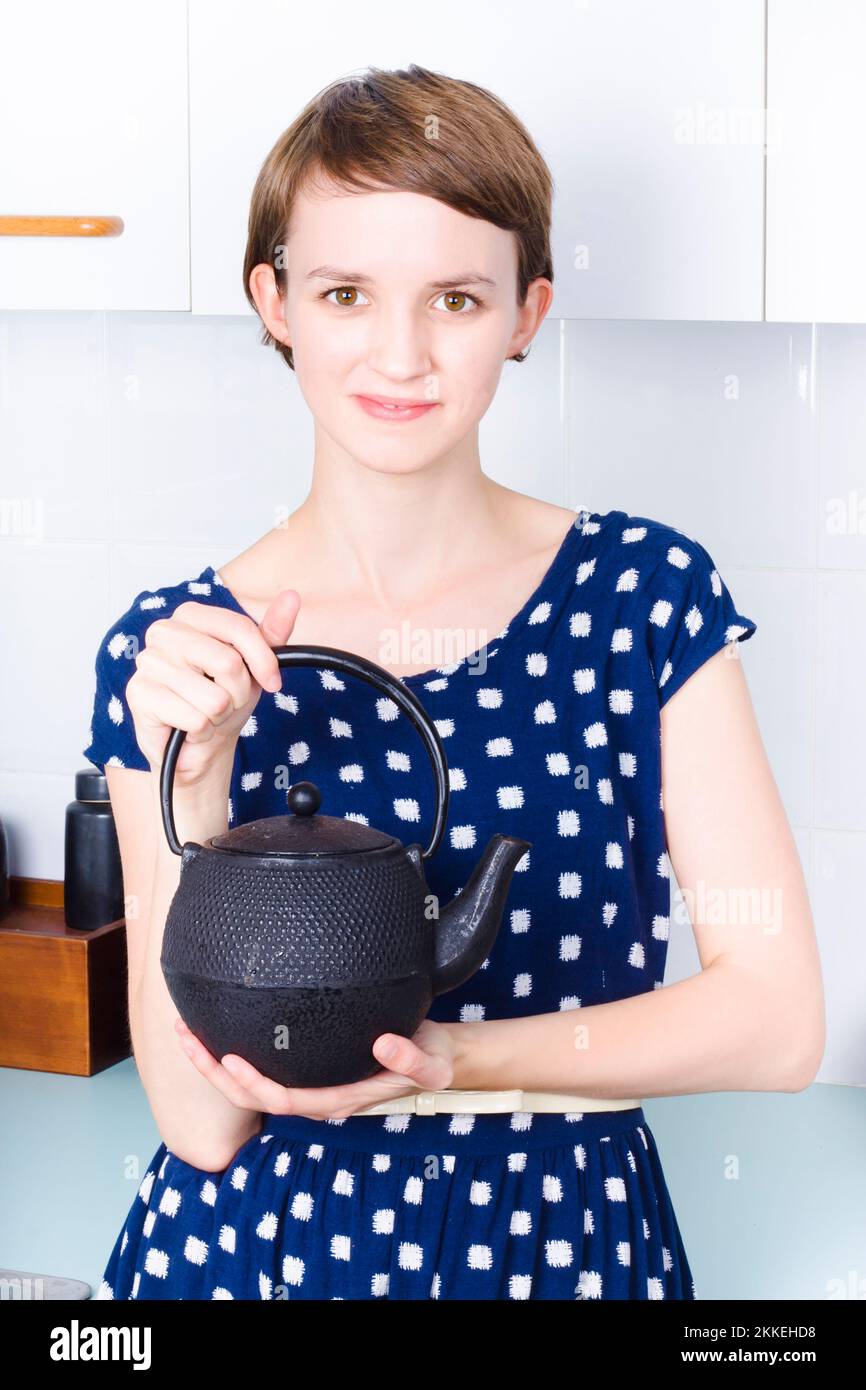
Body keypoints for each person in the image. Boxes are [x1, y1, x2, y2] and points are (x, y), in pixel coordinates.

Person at [84, 64, 824, 1301]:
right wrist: (196, 785)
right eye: (343, 292)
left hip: (560, 1248)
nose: (400, 352)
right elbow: (202, 1124)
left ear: (525, 313)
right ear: (273, 302)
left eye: (456, 299)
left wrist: (450, 1059)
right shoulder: (173, 654)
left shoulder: (643, 597)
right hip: (257, 1261)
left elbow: (775, 1018)